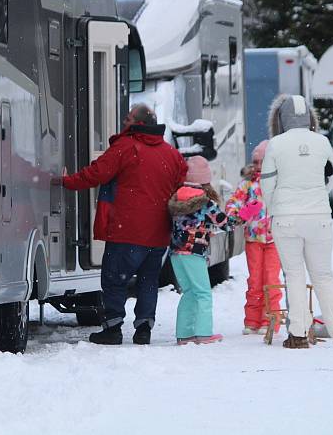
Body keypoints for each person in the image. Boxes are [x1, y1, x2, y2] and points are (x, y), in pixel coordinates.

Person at [61, 104, 187, 345]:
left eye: (128, 118)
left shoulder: (126, 147)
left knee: (114, 279)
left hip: (126, 230)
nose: (124, 121)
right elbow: (179, 184)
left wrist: (66, 181)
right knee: (148, 282)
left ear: (138, 123)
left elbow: (97, 173)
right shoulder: (172, 154)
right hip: (159, 232)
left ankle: (112, 328)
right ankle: (144, 329)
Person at [260, 94, 333, 349]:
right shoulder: (323, 142)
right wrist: (317, 198)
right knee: (324, 275)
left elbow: (267, 182)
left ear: (281, 118)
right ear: (308, 117)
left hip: (286, 218)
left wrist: (274, 208)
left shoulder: (276, 144)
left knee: (294, 275)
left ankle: (299, 334)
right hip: (319, 218)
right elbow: (331, 177)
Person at [167, 156, 227, 345]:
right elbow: (224, 222)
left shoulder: (177, 197)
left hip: (176, 252)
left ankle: (184, 334)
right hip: (194, 252)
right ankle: (204, 333)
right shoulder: (204, 202)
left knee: (189, 292)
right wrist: (243, 217)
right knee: (202, 293)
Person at [225, 140, 282, 335]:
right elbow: (233, 203)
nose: (258, 166)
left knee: (271, 280)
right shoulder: (247, 184)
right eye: (256, 162)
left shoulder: (279, 183)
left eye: (262, 162)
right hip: (254, 239)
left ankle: (271, 319)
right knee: (255, 280)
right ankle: (252, 321)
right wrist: (240, 214)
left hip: (276, 239)